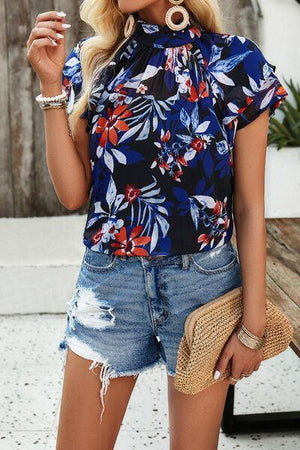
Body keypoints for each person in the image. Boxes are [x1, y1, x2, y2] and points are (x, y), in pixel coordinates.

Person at [26, 0, 288, 448]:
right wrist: (52, 85)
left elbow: (248, 205)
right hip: (110, 286)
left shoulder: (236, 62)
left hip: (203, 287)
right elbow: (73, 194)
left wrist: (253, 327)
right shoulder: (93, 60)